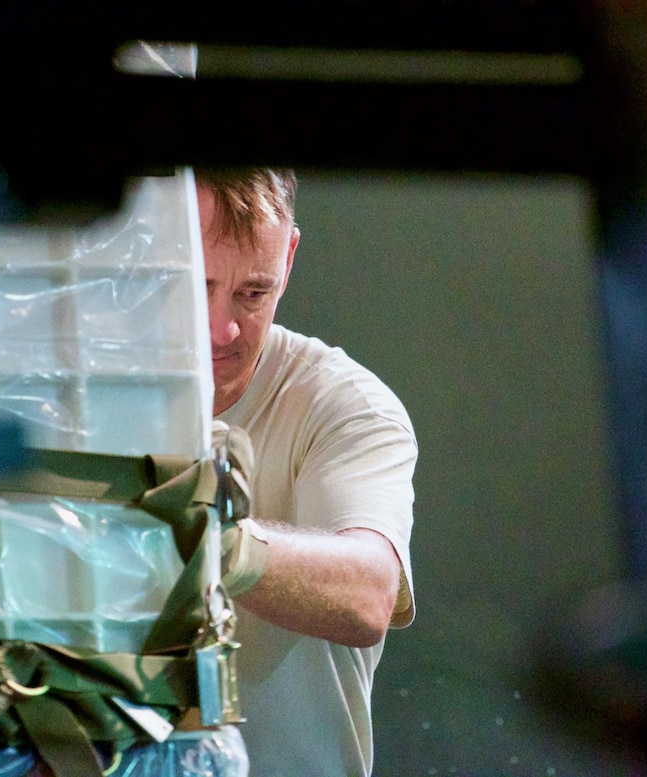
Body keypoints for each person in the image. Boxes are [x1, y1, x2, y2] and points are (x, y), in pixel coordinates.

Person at [197, 168, 417, 777]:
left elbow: (371, 592)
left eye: (253, 292)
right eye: (197, 287)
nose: (223, 329)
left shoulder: (344, 405)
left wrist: (220, 544)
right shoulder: (63, 405)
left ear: (289, 256)